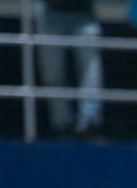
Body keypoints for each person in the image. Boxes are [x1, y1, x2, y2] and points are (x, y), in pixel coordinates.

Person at [33, 0, 104, 139]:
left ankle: (89, 124)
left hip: (83, 12)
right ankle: (62, 125)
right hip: (50, 12)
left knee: (91, 71)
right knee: (52, 74)